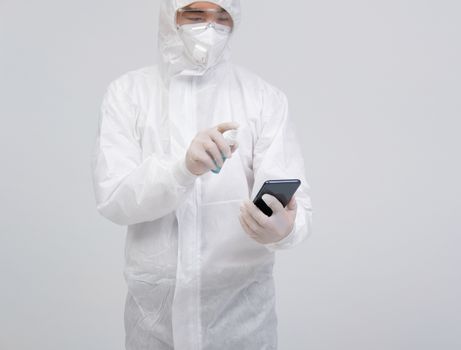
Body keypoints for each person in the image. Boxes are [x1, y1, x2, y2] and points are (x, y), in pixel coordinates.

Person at [91, 1, 312, 349]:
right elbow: (114, 199)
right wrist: (182, 170)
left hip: (241, 325)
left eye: (222, 17)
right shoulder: (129, 95)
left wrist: (283, 230)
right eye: (195, 15)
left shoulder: (263, 99)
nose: (210, 28)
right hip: (154, 325)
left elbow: (296, 207)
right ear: (170, 17)